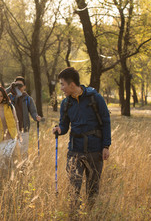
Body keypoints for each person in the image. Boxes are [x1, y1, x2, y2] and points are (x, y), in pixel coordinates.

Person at [52, 67, 111, 209]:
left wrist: (106, 146)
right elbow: (64, 125)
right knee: (73, 188)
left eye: (62, 84)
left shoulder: (95, 98)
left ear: (72, 84)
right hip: (74, 150)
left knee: (92, 189)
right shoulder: (66, 104)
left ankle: (91, 214)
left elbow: (106, 121)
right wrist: (59, 129)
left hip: (94, 150)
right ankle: (74, 216)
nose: (61, 88)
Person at [6, 76, 41, 160]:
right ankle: (13, 170)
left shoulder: (28, 98)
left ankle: (24, 169)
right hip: (11, 129)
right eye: (16, 85)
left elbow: (33, 111)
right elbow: (0, 94)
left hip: (24, 128)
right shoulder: (9, 97)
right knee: (12, 151)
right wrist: (10, 88)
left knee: (24, 151)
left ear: (24, 86)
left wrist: (36, 117)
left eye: (20, 85)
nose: (18, 87)